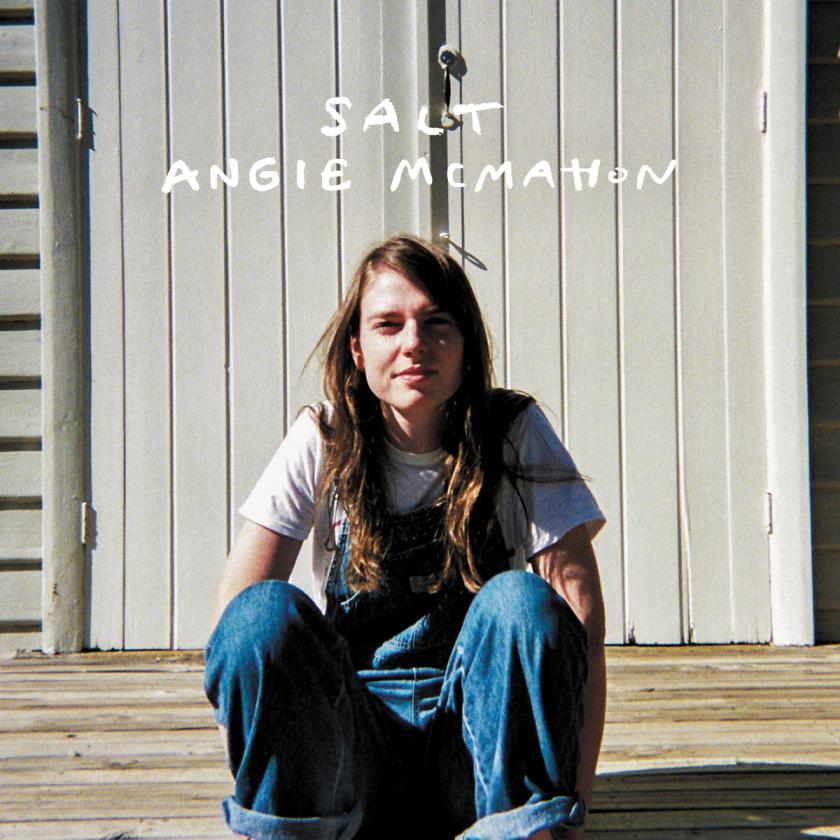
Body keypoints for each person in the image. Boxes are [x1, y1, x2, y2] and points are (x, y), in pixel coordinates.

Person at [204, 234, 607, 840]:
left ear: (466, 343)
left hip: (475, 758)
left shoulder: (512, 431)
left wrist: (568, 812)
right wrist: (271, 792)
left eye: (436, 323)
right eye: (388, 325)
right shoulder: (324, 437)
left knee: (522, 603)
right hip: (350, 762)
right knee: (261, 615)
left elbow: (583, 631)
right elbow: (234, 634)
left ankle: (517, 832)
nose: (414, 342)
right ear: (358, 349)